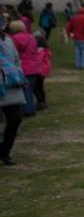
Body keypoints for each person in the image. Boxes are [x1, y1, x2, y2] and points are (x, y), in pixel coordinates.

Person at [0, 9, 26, 166]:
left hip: (11, 85)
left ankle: (4, 151)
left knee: (15, 119)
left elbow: (16, 59)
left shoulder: (8, 41)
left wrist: (17, 73)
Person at [8, 20, 40, 117]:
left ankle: (27, 110)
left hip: (24, 67)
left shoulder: (14, 38)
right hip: (34, 66)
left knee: (24, 90)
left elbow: (13, 53)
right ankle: (30, 109)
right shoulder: (31, 37)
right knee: (29, 89)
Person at [34, 32, 52, 110]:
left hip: (39, 71)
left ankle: (41, 102)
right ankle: (42, 101)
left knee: (36, 87)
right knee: (40, 87)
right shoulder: (45, 49)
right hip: (43, 71)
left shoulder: (39, 51)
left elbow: (38, 60)